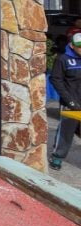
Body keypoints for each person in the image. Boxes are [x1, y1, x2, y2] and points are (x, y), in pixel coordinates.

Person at [49, 32, 81, 170]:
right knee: (66, 131)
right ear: (72, 46)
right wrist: (70, 101)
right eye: (80, 46)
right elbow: (56, 80)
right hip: (70, 102)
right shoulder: (63, 59)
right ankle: (57, 157)